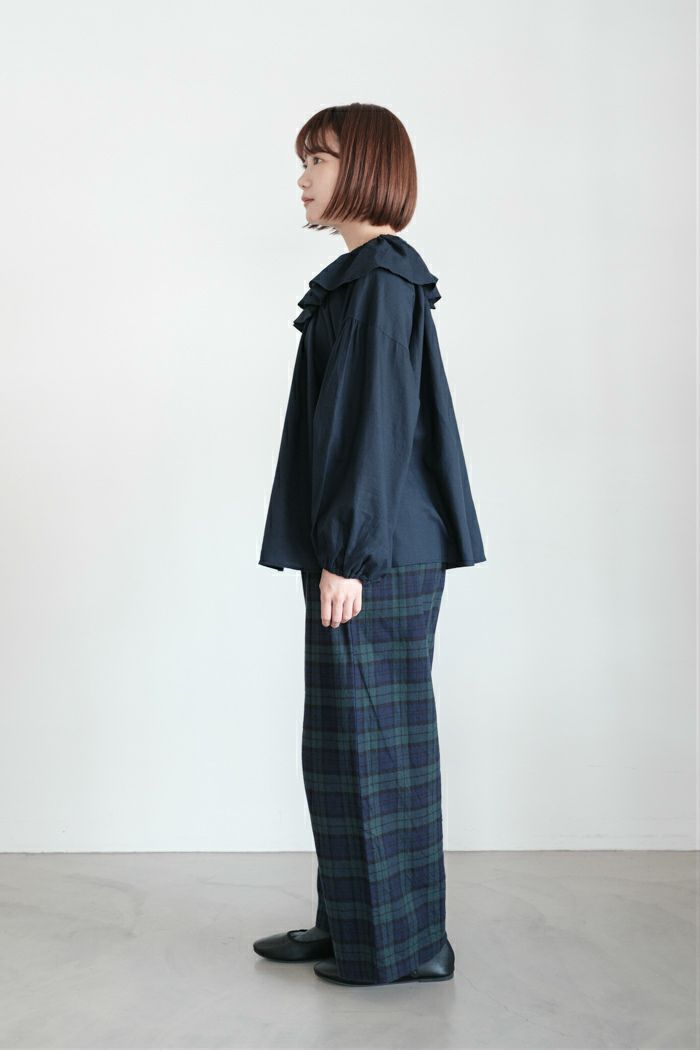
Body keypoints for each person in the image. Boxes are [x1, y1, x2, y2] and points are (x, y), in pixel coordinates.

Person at [254, 103, 486, 986]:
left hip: (374, 555)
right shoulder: (365, 280)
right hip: (363, 547)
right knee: (344, 743)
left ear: (364, 169)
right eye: (306, 161)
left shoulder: (382, 283)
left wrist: (346, 556)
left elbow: (376, 428)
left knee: (375, 746)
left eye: (317, 159)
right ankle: (353, 921)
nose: (303, 178)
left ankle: (403, 945)